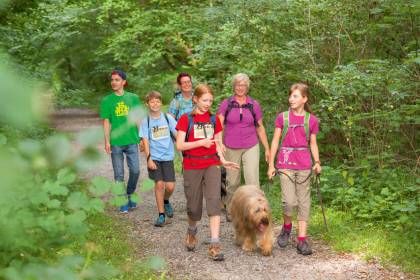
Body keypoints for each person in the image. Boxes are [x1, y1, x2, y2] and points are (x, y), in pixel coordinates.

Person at [176, 84, 239, 261]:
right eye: (204, 100)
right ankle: (191, 231)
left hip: (212, 164)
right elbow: (180, 145)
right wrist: (200, 143)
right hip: (192, 165)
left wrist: (223, 160)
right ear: (195, 99)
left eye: (210, 101)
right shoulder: (185, 119)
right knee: (194, 206)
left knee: (214, 201)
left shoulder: (214, 120)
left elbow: (218, 143)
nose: (208, 103)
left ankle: (214, 245)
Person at [267, 83, 321, 255]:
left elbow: (313, 143)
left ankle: (302, 240)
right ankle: (287, 226)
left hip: (304, 165)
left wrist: (317, 162)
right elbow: (275, 140)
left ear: (304, 99)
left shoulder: (311, 120)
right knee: (289, 201)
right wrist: (271, 164)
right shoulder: (282, 117)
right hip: (285, 164)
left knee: (304, 203)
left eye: (295, 96)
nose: (291, 99)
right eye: (290, 96)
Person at [217, 73, 270, 220]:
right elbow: (219, 125)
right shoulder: (226, 104)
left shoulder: (254, 104)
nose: (240, 88)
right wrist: (219, 143)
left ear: (247, 87)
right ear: (234, 86)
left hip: (251, 145)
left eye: (243, 85)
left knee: (252, 180)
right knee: (232, 182)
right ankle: (231, 209)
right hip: (231, 146)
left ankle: (256, 211)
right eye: (238, 85)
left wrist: (267, 148)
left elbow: (260, 127)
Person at [100, 70, 141, 213]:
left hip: (131, 141)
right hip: (116, 142)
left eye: (117, 80)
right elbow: (106, 121)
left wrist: (142, 138)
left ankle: (129, 194)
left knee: (135, 171)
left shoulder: (133, 98)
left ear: (124, 82)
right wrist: (107, 141)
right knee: (119, 174)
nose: (113, 82)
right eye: (112, 80)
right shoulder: (107, 100)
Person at [140, 91, 177, 227]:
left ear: (161, 103)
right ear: (147, 104)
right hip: (154, 157)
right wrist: (149, 159)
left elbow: (178, 134)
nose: (155, 104)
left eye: (157, 101)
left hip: (168, 157)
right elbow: (145, 141)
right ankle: (161, 214)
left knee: (170, 186)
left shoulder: (168, 118)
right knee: (159, 185)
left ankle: (166, 200)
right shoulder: (146, 121)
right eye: (152, 101)